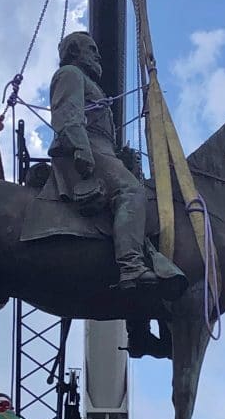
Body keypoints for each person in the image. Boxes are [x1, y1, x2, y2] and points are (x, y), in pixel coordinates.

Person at [46, 31, 157, 291]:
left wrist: (121, 157)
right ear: (74, 52)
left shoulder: (90, 84)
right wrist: (80, 148)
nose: (98, 54)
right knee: (130, 191)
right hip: (83, 150)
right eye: (91, 48)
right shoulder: (71, 74)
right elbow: (67, 114)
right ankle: (131, 265)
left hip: (102, 151)